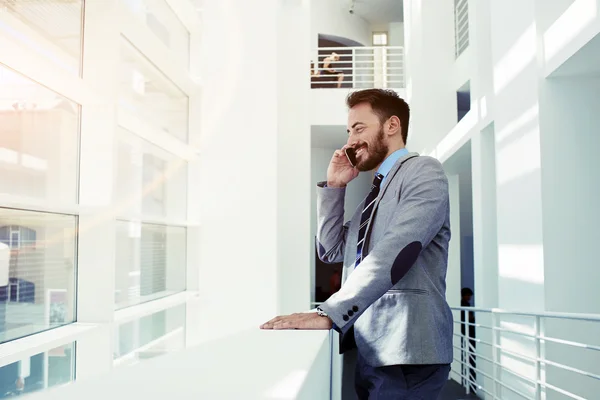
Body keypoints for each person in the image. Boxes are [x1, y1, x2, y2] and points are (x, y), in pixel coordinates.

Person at [261, 88, 454, 399]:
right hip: (370, 348)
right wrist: (335, 187)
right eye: (349, 130)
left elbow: (399, 249)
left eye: (359, 128)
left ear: (392, 125)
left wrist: (328, 313)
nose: (350, 140)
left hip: (407, 349)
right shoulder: (373, 196)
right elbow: (330, 250)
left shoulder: (424, 171)